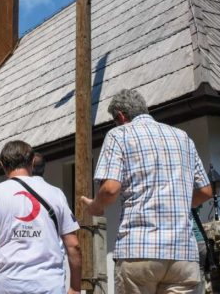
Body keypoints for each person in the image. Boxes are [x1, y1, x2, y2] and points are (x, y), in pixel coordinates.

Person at [80, 88, 213, 294]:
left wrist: (96, 207)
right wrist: (176, 202)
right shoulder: (182, 137)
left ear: (121, 116)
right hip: (183, 253)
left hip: (139, 250)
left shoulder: (119, 134)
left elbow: (110, 188)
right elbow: (205, 191)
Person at [0, 141, 81, 294]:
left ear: (2, 164)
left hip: (8, 285)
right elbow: (74, 245)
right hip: (50, 285)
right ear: (31, 162)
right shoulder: (56, 194)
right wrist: (75, 287)